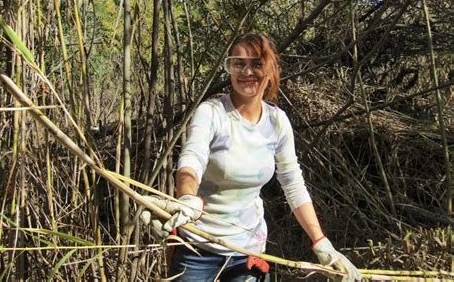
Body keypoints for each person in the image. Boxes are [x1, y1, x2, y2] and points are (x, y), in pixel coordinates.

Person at [141, 33, 362, 281]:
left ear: (270, 70)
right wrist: (188, 198)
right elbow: (192, 159)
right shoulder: (212, 113)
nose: (247, 71)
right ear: (230, 69)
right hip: (197, 245)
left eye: (257, 64)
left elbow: (293, 184)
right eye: (239, 63)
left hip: (248, 251)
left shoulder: (277, 122)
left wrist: (321, 242)